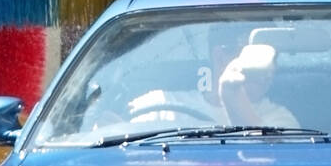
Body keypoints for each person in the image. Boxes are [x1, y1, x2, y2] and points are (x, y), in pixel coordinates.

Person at [126, 30, 299, 129]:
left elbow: (275, 162)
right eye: (257, 58)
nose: (270, 69)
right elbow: (113, 139)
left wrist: (233, 97)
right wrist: (106, 128)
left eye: (273, 59)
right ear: (220, 58)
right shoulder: (163, 107)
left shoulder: (279, 119)